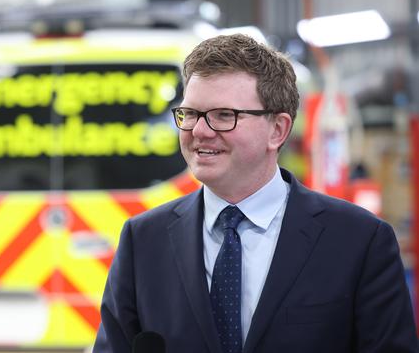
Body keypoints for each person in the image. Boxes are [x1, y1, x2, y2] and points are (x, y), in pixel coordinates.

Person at [93, 34, 418, 353]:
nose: (200, 131)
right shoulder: (143, 241)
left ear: (277, 129)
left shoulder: (360, 241)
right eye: (190, 114)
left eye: (224, 115)